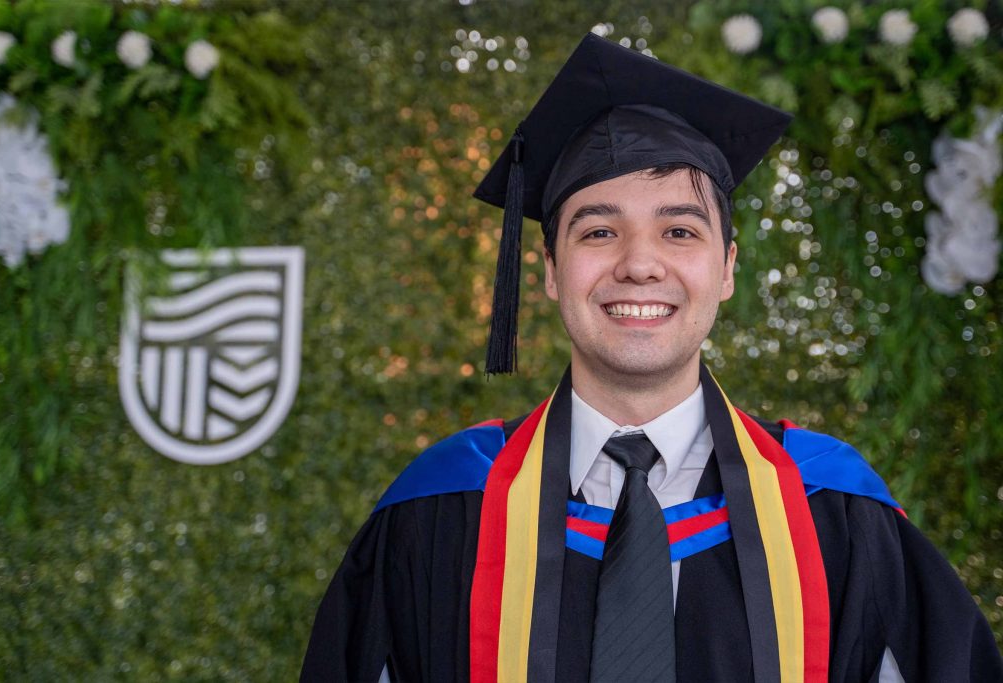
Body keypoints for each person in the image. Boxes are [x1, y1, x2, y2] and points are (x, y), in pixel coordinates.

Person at [300, 34, 1002, 682]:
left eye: (679, 230)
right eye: (600, 230)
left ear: (727, 268)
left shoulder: (837, 514)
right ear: (548, 269)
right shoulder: (440, 513)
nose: (640, 264)